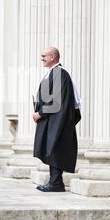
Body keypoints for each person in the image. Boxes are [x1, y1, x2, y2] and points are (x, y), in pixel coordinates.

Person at [33, 47, 81, 192]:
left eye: (44, 56)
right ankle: (55, 182)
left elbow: (56, 101)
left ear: (53, 57)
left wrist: (40, 113)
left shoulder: (59, 73)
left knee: (55, 149)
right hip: (53, 119)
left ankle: (55, 183)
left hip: (58, 120)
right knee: (52, 149)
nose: (42, 58)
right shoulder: (53, 73)